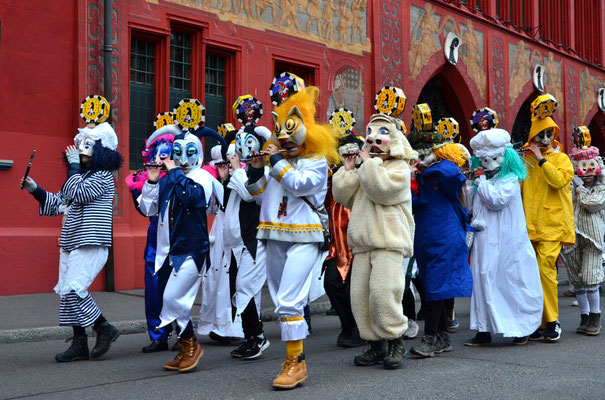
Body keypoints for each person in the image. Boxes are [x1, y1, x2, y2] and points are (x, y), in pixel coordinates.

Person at [245, 86, 339, 389]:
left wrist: (275, 163)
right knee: (280, 299)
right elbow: (260, 198)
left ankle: (295, 361)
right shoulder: (277, 162)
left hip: (304, 238)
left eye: (291, 131)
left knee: (288, 300)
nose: (284, 139)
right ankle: (295, 361)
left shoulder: (316, 162)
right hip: (274, 237)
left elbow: (300, 185)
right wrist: (256, 172)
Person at [22, 118, 122, 362]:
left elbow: (77, 192)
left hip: (90, 241)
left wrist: (74, 168)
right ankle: (79, 343)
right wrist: (35, 190)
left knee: (75, 289)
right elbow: (59, 202)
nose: (81, 155)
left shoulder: (103, 177)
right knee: (67, 294)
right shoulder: (80, 177)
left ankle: (104, 327)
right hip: (71, 241)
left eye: (87, 151)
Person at [333, 111, 417, 369]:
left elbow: (382, 190)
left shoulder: (399, 168)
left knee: (383, 293)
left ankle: (394, 340)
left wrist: (368, 164)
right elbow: (343, 196)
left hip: (389, 241)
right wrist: (348, 172)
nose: (375, 140)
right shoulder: (368, 168)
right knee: (359, 296)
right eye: (372, 135)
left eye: (383, 134)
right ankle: (375, 344)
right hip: (363, 244)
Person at [139, 123, 225, 373]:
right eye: (178, 152)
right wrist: (153, 183)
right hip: (168, 251)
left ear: (198, 153)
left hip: (191, 250)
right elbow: (149, 210)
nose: (184, 159)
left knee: (172, 298)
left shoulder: (202, 178)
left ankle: (191, 345)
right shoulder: (169, 179)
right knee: (173, 302)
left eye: (190, 152)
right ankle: (187, 345)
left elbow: (193, 197)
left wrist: (174, 172)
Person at [465, 123, 543, 346]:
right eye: (485, 161)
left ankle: (520, 328)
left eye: (494, 160)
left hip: (508, 242)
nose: (489, 165)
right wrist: (472, 185)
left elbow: (496, 201)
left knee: (510, 282)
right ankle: (483, 329)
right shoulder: (485, 180)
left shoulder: (509, 180)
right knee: (482, 280)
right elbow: (473, 207)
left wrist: (480, 182)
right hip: (485, 240)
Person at [407, 120, 473, 358]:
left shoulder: (442, 171)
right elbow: (414, 204)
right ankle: (442, 337)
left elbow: (455, 175)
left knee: (435, 286)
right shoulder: (421, 177)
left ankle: (430, 337)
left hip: (443, 235)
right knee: (434, 285)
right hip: (427, 235)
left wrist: (429, 166)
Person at [521, 95, 575, 342]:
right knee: (531, 275)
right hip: (529, 226)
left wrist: (542, 159)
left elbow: (558, 180)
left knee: (546, 272)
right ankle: (538, 322)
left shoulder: (561, 159)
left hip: (552, 225)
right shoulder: (525, 160)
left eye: (548, 134)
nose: (545, 140)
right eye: (540, 135)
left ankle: (553, 321)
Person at [222, 122, 273, 359]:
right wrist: (225, 178)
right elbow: (224, 204)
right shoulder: (237, 173)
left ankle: (258, 337)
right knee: (237, 289)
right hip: (234, 244)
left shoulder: (262, 172)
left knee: (245, 288)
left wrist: (238, 170)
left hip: (252, 241)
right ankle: (250, 337)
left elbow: (252, 195)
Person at [197, 144, 244, 343]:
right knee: (216, 279)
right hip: (220, 231)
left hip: (239, 232)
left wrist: (232, 177)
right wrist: (222, 180)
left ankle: (236, 326)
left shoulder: (245, 177)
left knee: (235, 280)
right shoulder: (224, 179)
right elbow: (215, 207)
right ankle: (219, 324)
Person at [324, 132, 365, 348]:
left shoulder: (365, 174)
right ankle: (347, 325)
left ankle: (358, 329)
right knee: (331, 284)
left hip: (358, 242)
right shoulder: (335, 176)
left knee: (354, 289)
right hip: (337, 244)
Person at [562, 130, 605, 336]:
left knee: (590, 276)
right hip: (572, 235)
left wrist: (579, 189)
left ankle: (595, 317)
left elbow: (592, 204)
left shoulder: (600, 188)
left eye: (590, 168)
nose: (587, 172)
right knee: (577, 277)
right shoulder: (571, 186)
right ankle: (585, 316)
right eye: (582, 168)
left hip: (593, 237)